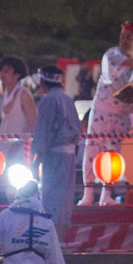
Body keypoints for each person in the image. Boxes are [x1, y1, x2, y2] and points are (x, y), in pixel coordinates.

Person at [84, 22, 133, 204]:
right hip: (103, 108)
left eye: (129, 37)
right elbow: (112, 68)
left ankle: (107, 194)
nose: (123, 40)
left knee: (115, 153)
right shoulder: (112, 54)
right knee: (94, 148)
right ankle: (88, 194)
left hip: (125, 113)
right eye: (122, 36)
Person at [29, 66, 83, 230]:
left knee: (51, 199)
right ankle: (60, 239)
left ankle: (52, 240)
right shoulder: (68, 99)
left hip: (54, 156)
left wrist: (37, 158)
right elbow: (77, 131)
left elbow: (43, 132)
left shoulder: (47, 100)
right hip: (69, 155)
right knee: (64, 201)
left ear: (43, 82)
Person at [0, 57, 36, 140]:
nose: (2, 75)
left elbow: (33, 122)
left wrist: (25, 142)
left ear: (17, 75)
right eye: (1, 71)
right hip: (3, 143)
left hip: (20, 145)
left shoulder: (24, 94)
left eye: (6, 71)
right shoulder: (5, 93)